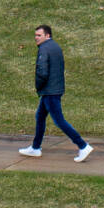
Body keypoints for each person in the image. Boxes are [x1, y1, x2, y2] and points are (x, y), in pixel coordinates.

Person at [18, 24, 92, 163]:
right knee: (40, 116)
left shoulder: (44, 49)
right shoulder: (56, 47)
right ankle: (35, 147)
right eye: (35, 35)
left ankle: (83, 145)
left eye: (39, 35)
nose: (36, 38)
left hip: (50, 91)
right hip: (55, 89)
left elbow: (42, 72)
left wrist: (38, 86)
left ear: (47, 35)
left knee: (59, 121)